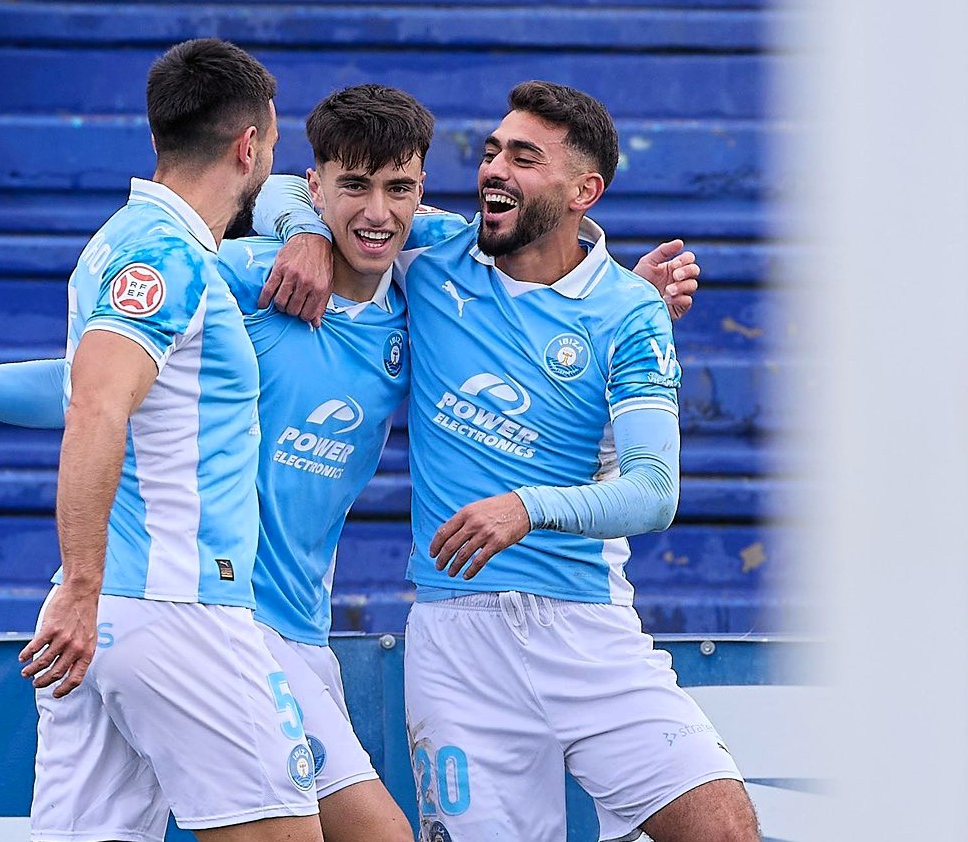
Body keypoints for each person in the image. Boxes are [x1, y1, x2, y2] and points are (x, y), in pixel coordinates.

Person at [0, 84, 702, 840]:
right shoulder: (248, 277)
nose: (377, 213)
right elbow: (101, 381)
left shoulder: (418, 291)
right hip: (221, 613)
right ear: (316, 186)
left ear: (421, 194)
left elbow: (534, 287)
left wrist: (619, 295)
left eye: (400, 190)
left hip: (297, 625)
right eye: (352, 188)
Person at [257, 81, 761, 841]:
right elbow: (287, 188)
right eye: (492, 151)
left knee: (722, 828)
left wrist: (528, 507)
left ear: (583, 191)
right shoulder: (431, 252)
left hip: (588, 632)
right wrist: (303, 235)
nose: (494, 168)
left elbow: (655, 492)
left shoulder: (628, 311)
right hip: (457, 642)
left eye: (524, 158)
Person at [5, 38, 326, 842]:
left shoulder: (118, 241)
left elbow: (87, 387)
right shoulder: (166, 256)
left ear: (159, 135)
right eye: (272, 142)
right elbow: (96, 408)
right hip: (176, 606)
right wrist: (82, 584)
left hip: (110, 615)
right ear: (249, 146)